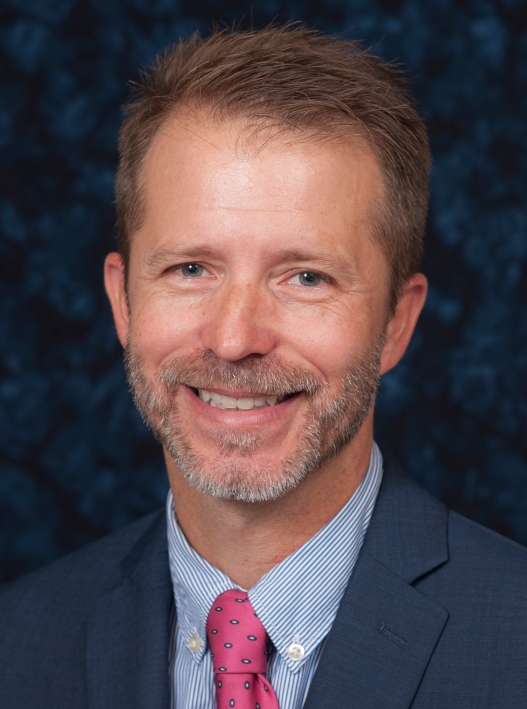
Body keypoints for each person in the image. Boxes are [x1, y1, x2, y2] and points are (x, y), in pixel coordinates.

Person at [1, 23, 527, 709]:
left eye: (304, 277)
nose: (232, 338)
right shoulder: (18, 642)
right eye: (191, 268)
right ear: (122, 302)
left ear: (396, 322)